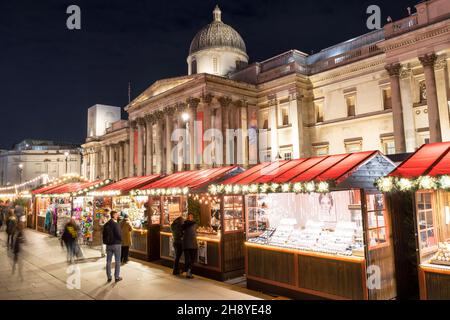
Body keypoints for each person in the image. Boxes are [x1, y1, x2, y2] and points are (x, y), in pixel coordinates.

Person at [103, 210, 122, 283]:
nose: (118, 216)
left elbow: (104, 234)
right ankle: (116, 277)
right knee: (117, 261)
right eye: (117, 214)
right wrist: (121, 240)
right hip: (116, 244)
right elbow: (118, 234)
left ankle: (109, 277)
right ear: (113, 215)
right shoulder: (115, 224)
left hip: (108, 245)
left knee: (108, 261)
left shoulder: (107, 224)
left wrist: (106, 242)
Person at [182, 213, 198, 279]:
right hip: (193, 244)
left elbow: (182, 232)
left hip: (185, 244)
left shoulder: (183, 224)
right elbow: (195, 232)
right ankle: (189, 272)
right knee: (192, 259)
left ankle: (187, 272)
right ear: (191, 217)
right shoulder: (194, 224)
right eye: (191, 217)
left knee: (187, 259)